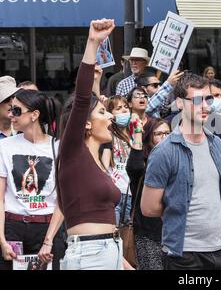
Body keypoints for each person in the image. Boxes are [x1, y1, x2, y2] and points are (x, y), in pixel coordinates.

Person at [140, 73, 221, 270]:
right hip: (183, 254)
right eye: (197, 100)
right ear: (180, 103)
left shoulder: (217, 144)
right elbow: (149, 207)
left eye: (208, 99)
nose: (205, 106)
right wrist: (179, 206)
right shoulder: (165, 151)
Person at [56, 19, 131, 270]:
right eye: (102, 113)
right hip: (89, 254)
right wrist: (93, 42)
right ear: (85, 124)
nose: (111, 116)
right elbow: (82, 99)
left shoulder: (99, 158)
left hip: (109, 250)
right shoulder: (72, 152)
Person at [0, 89, 65, 270]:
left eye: (17, 110)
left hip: (47, 227)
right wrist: (2, 240)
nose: (11, 115)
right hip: (13, 227)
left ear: (34, 114)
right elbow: (0, 198)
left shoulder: (58, 147)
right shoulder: (4, 146)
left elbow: (63, 199)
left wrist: (49, 240)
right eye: (10, 109)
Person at [126, 117, 170, 270]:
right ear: (149, 137)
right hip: (148, 233)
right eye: (159, 134)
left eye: (167, 133)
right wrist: (138, 132)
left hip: (172, 231)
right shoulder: (143, 160)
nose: (164, 137)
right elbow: (134, 166)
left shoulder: (175, 158)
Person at [101, 96, 133, 227]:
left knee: (126, 237)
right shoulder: (107, 136)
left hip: (130, 193)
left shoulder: (133, 135)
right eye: (118, 108)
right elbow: (103, 167)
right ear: (111, 114)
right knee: (113, 233)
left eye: (126, 107)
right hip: (114, 193)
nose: (124, 111)